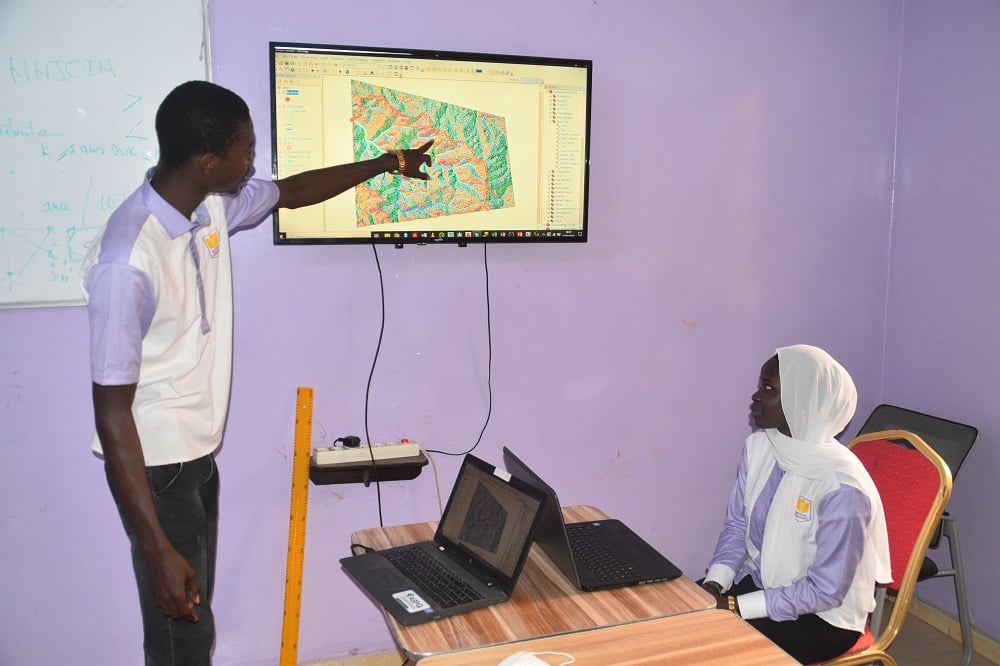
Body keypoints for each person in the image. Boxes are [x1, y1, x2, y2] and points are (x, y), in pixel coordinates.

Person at [80, 80, 433, 665]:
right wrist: (156, 546)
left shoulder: (209, 205)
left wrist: (389, 162)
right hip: (156, 465)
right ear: (208, 160)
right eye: (245, 148)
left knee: (192, 617)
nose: (252, 160)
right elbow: (111, 411)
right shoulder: (127, 259)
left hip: (196, 454)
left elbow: (293, 192)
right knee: (180, 633)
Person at [701, 344, 891, 664]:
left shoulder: (841, 487)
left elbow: (825, 591)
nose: (755, 396)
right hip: (763, 584)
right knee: (673, 617)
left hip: (823, 617)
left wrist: (733, 606)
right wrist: (714, 584)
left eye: (768, 389)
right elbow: (737, 525)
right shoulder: (760, 447)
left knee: (708, 651)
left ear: (801, 403)